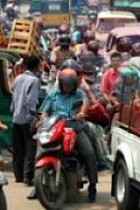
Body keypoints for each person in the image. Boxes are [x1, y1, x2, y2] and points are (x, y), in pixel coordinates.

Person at [39, 69, 98, 202]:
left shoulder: (79, 95)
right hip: (54, 129)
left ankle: (93, 185)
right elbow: (45, 112)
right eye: (66, 85)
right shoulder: (52, 95)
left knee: (89, 153)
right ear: (60, 83)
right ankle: (38, 183)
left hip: (74, 129)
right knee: (40, 150)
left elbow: (84, 106)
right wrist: (44, 121)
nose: (68, 87)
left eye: (71, 85)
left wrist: (81, 114)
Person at [10, 55, 40, 186]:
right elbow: (31, 102)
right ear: (37, 66)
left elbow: (14, 99)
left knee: (18, 148)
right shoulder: (34, 80)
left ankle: (18, 175)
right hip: (27, 118)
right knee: (30, 147)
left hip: (16, 117)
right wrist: (34, 118)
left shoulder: (18, 78)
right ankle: (28, 177)